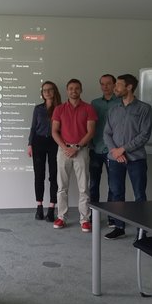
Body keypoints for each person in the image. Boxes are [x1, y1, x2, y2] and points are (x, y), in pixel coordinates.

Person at [103, 74, 152, 239]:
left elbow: (144, 135)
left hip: (136, 159)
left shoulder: (144, 108)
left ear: (129, 87)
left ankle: (141, 230)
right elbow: (107, 134)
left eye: (118, 85)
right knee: (117, 193)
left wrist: (123, 149)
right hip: (115, 159)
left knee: (139, 194)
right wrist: (115, 152)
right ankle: (119, 226)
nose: (115, 88)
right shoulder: (113, 109)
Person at [51, 79, 97, 231]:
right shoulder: (59, 109)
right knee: (62, 186)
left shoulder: (88, 108)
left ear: (81, 90)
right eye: (71, 88)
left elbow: (91, 132)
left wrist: (76, 147)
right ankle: (61, 217)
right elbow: (54, 131)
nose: (74, 91)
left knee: (84, 187)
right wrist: (65, 147)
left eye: (77, 88)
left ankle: (85, 219)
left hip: (81, 150)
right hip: (63, 150)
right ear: (67, 91)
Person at [27, 81, 61, 222]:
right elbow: (33, 128)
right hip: (38, 142)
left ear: (54, 91)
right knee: (39, 175)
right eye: (44, 90)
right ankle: (39, 207)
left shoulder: (60, 108)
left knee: (54, 176)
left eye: (49, 89)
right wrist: (30, 144)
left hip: (55, 143)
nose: (47, 92)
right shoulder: (38, 108)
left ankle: (52, 208)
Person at [90, 74, 120, 227]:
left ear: (114, 85)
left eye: (109, 83)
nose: (105, 86)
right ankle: (92, 216)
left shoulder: (121, 102)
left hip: (114, 150)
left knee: (113, 186)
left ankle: (111, 216)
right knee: (93, 184)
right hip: (96, 148)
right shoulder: (94, 103)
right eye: (103, 84)